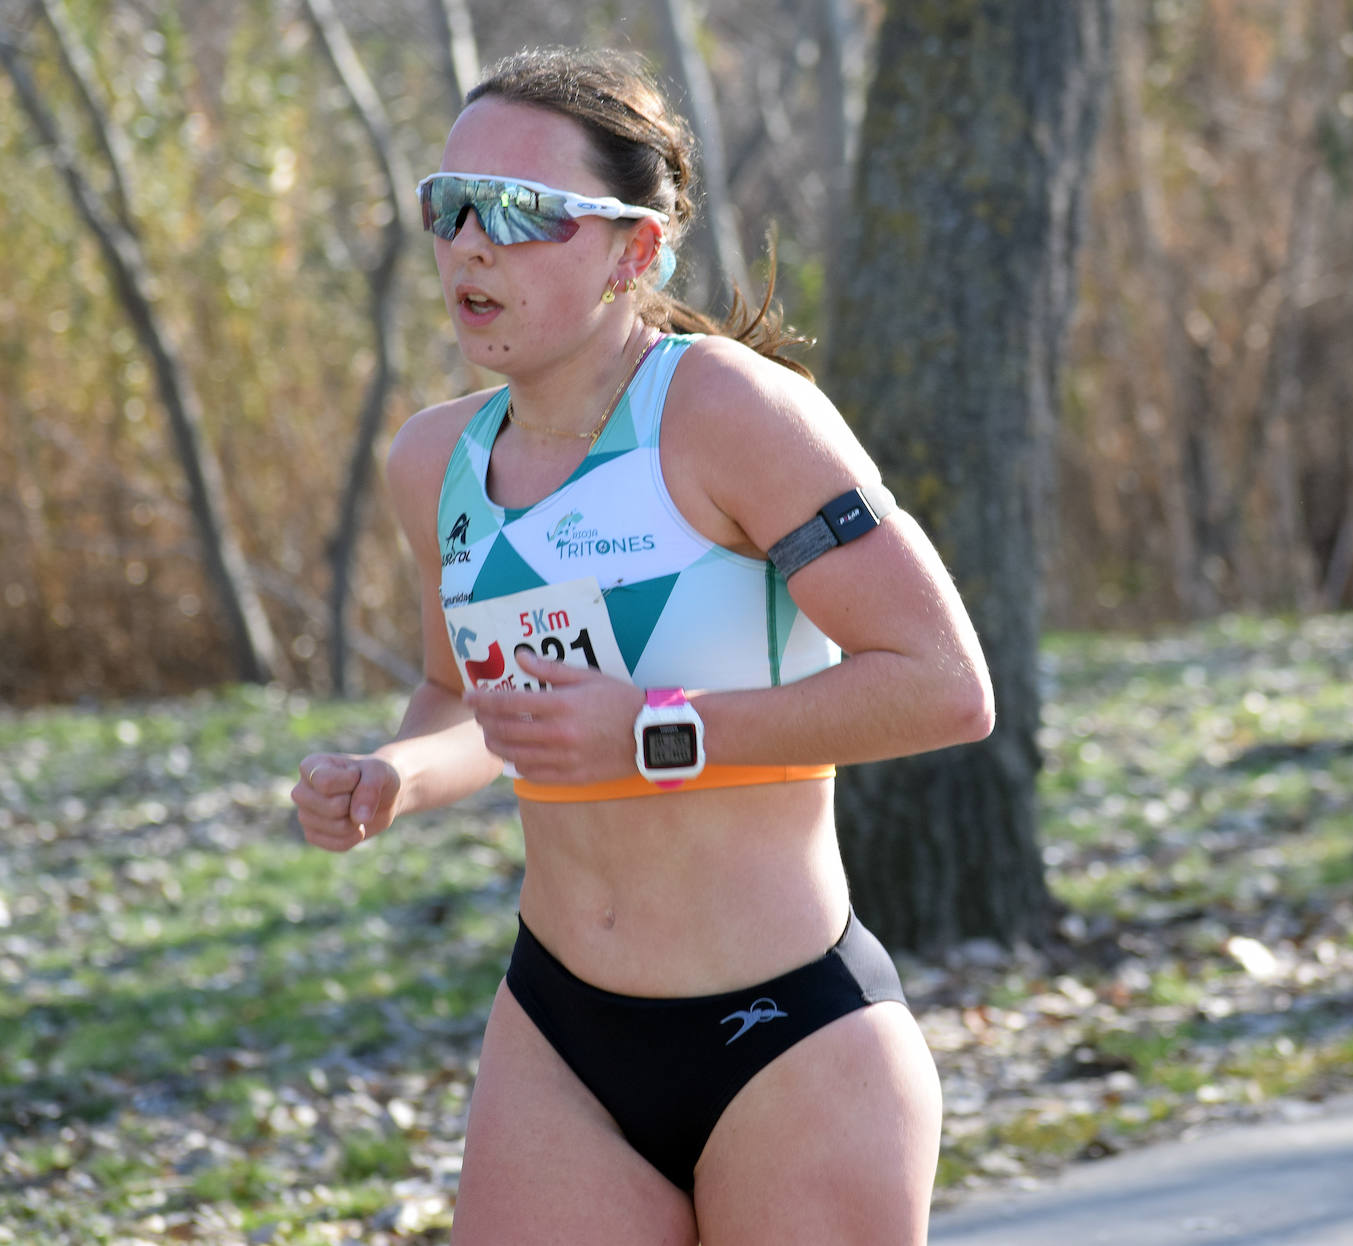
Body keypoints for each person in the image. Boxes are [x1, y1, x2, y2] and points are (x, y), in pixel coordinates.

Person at [291, 45, 994, 1246]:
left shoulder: (729, 413)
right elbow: (463, 698)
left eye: (520, 213)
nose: (471, 244)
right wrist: (396, 776)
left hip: (788, 1036)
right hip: (560, 1035)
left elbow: (943, 685)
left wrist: (657, 729)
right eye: (448, 206)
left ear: (636, 249)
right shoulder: (435, 463)